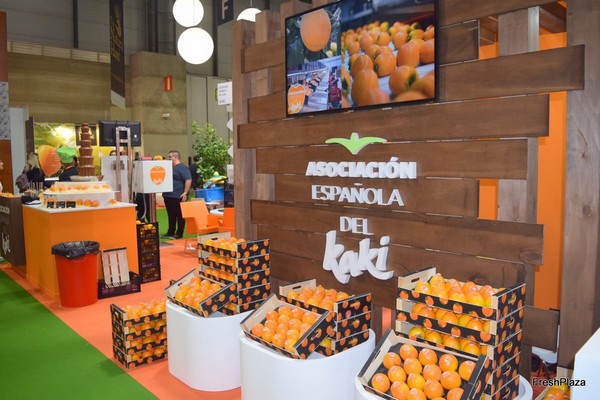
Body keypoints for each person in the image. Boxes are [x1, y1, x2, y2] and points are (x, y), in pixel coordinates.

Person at [162, 150, 192, 239]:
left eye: (170, 157)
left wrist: (185, 193)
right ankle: (170, 231)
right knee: (171, 214)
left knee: (179, 215)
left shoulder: (182, 167)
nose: (168, 158)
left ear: (175, 157)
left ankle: (179, 233)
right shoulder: (170, 167)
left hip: (177, 195)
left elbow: (188, 180)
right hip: (168, 195)